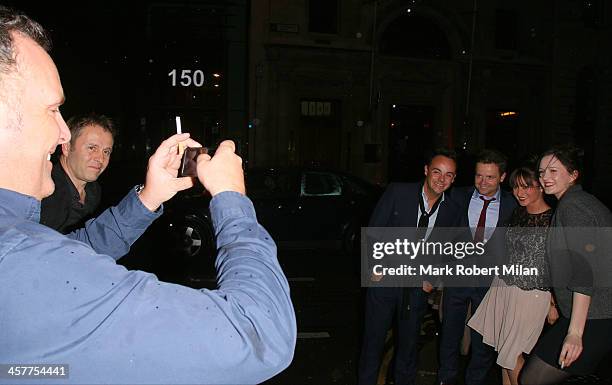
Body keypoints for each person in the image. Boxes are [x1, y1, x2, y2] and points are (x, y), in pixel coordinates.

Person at [0, 6, 296, 384]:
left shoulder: (23, 238)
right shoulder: (18, 262)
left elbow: (74, 252)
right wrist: (230, 197)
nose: (62, 132)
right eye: (52, 110)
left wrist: (148, 198)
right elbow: (259, 334)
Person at [359, 149, 461, 385]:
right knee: (372, 345)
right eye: (437, 172)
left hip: (416, 287)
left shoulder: (452, 209)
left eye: (448, 175)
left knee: (408, 349)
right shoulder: (398, 192)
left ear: (454, 179)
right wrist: (374, 270)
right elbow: (374, 231)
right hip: (384, 282)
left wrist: (433, 278)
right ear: (426, 170)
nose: (441, 179)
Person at [520, 145, 612, 385]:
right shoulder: (581, 201)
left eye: (553, 171)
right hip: (594, 314)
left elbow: (584, 270)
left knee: (532, 378)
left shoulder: (573, 207)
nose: (545, 178)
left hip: (595, 317)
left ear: (573, 175)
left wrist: (574, 333)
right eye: (541, 172)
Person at [467, 166, 557, 385]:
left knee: (511, 355)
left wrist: (554, 303)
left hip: (532, 295)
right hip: (505, 287)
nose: (520, 192)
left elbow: (559, 263)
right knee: (504, 354)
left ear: (541, 187)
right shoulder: (518, 213)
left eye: (527, 187)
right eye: (516, 187)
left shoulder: (553, 220)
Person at [437, 149, 517, 385]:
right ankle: (445, 378)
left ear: (502, 177)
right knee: (449, 334)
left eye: (490, 177)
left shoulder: (513, 204)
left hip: (490, 283)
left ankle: (475, 380)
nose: (483, 182)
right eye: (479, 176)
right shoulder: (457, 197)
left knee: (483, 340)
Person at [40, 113, 115, 233]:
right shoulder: (43, 193)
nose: (100, 159)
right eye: (92, 148)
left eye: (106, 152)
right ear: (66, 148)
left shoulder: (94, 191)